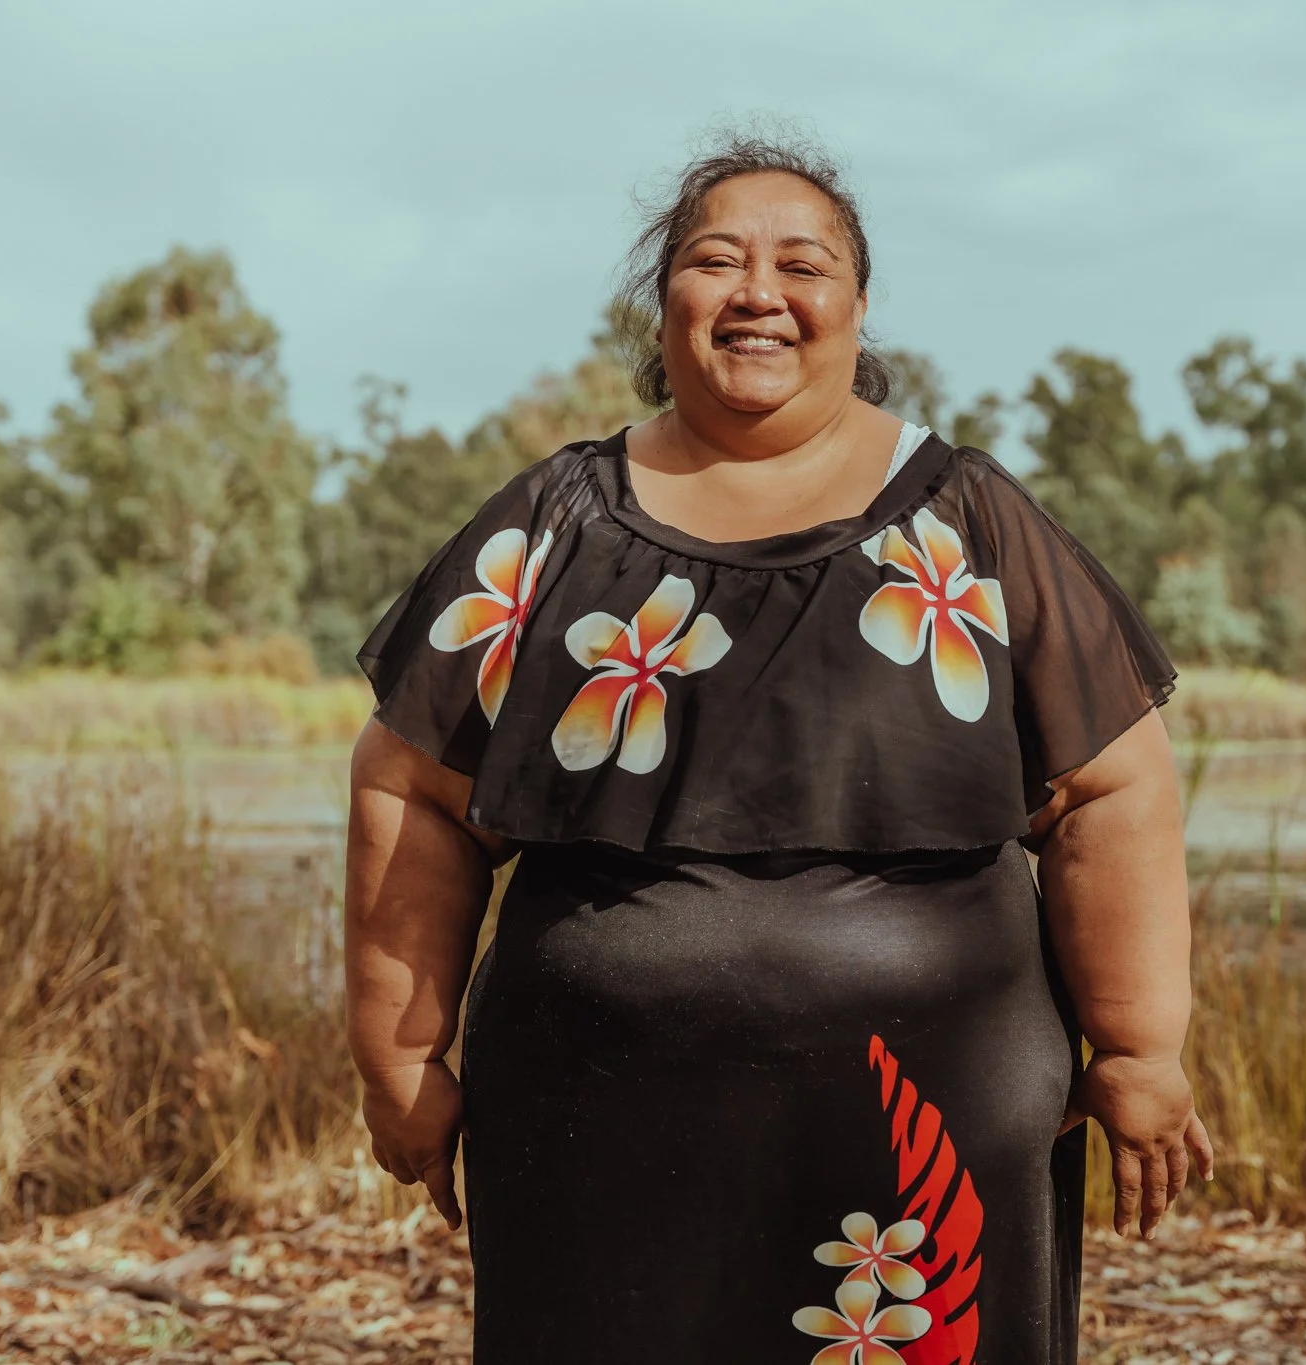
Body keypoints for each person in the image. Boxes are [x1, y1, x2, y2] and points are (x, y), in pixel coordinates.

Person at [344, 132, 1212, 1365]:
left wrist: (1137, 1049)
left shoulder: (968, 516)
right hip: (595, 1118)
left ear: (856, 309)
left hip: (927, 1112)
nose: (759, 292)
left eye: (802, 265)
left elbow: (1109, 793)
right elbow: (410, 794)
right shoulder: (549, 524)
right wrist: (400, 1063)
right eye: (715, 260)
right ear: (664, 306)